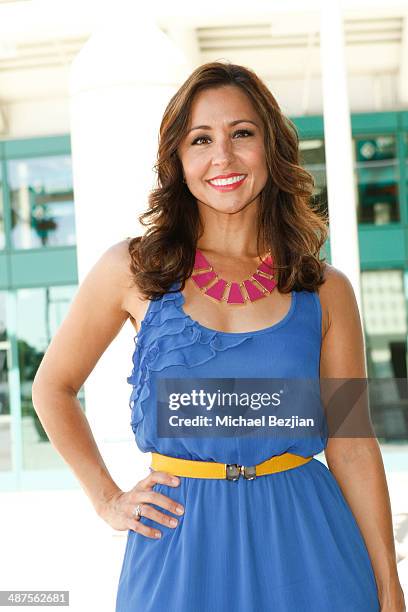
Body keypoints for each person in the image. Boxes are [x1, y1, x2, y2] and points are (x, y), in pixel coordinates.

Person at [32, 61, 406, 612]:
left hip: (309, 543)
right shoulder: (133, 269)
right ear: (177, 160)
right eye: (200, 139)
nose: (222, 157)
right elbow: (53, 387)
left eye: (242, 134)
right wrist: (108, 499)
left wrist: (388, 585)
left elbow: (351, 445)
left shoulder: (326, 290)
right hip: (179, 545)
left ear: (270, 148)